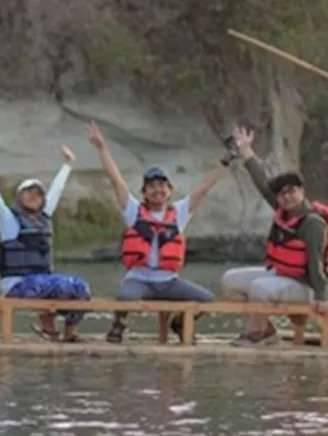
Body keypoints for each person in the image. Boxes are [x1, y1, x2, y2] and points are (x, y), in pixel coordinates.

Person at [87, 121, 234, 344]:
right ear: (144, 192)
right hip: (139, 278)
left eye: (162, 186)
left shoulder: (180, 213)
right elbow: (116, 180)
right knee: (125, 297)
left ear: (169, 191)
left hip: (169, 281)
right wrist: (102, 148)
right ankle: (119, 324)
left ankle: (180, 323)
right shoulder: (134, 211)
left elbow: (204, 187)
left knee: (206, 299)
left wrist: (228, 159)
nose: (157, 190)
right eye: (151, 187)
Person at [219, 126, 328, 346]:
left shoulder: (312, 223)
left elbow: (316, 263)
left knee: (259, 288)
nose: (287, 197)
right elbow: (264, 185)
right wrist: (247, 152)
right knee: (230, 281)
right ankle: (265, 331)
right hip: (281, 274)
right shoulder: (282, 209)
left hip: (305, 286)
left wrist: (323, 299)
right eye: (282, 194)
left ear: (302, 191)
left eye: (292, 191)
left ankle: (255, 335)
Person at [0, 128, 92, 342]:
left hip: (41, 280)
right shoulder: (8, 219)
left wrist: (68, 164)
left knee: (80, 287)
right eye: (27, 193)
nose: (33, 197)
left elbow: (57, 189)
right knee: (52, 285)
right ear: (19, 197)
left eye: (37, 194)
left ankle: (67, 331)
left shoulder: (45, 216)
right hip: (15, 285)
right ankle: (49, 326)